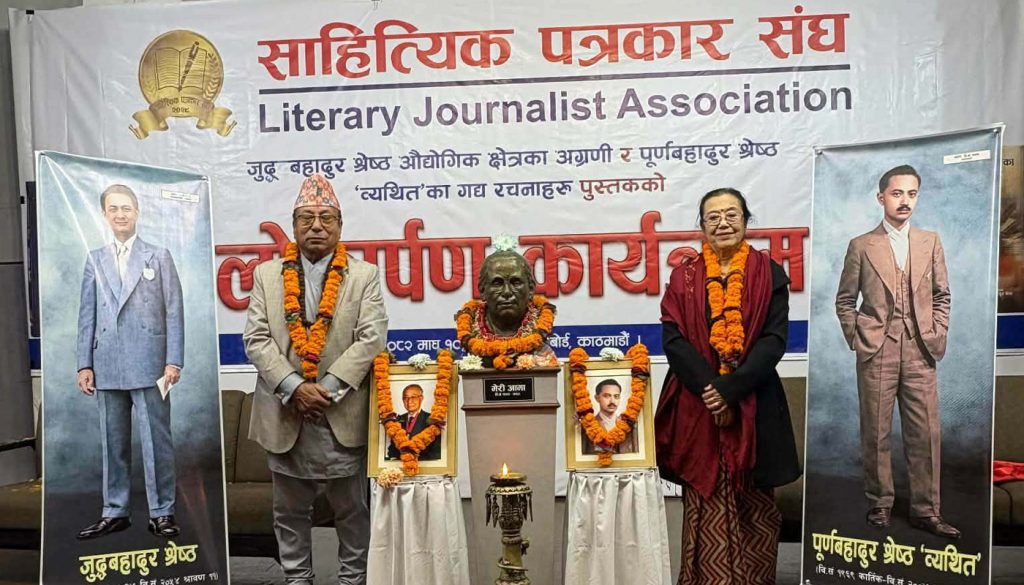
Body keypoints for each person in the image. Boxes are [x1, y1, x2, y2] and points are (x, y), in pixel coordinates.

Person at [244, 174, 387, 585]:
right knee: (289, 513)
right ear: (293, 226)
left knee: (352, 511)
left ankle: (352, 580)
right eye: (306, 218)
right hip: (285, 412)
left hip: (341, 411)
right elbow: (256, 338)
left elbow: (371, 337)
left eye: (326, 218)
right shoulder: (266, 275)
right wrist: (294, 388)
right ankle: (297, 579)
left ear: (340, 226)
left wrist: (326, 390)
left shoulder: (364, 275)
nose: (317, 227)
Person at [655, 187, 800, 584]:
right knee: (704, 498)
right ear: (702, 226)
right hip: (698, 405)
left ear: (746, 221)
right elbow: (673, 340)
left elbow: (774, 340)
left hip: (753, 401)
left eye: (731, 215)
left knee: (754, 499)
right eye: (713, 217)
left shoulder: (768, 273)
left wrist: (732, 389)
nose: (723, 223)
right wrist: (712, 390)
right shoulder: (684, 277)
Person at [835, 165, 958, 538]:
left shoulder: (930, 241)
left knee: (925, 433)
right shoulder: (861, 245)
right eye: (897, 193)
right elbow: (844, 301)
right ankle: (880, 502)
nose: (905, 201)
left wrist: (936, 331)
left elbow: (942, 295)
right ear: (881, 197)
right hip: (877, 350)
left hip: (921, 349)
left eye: (912, 193)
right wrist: (859, 337)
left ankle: (926, 509)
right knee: (876, 432)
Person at [76, 184, 183, 539]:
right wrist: (84, 364)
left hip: (151, 363)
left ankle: (162, 511)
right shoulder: (94, 259)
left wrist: (174, 360)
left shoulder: (159, 256)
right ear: (104, 215)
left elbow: (174, 311)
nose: (120, 214)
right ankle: (115, 510)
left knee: (157, 441)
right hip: (106, 362)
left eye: (126, 208)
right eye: (113, 208)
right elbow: (87, 315)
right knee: (113, 442)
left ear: (137, 213)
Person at [581, 379, 638, 454]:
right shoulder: (587, 424)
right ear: (597, 398)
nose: (612, 401)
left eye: (616, 396)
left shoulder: (630, 424)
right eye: (607, 396)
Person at [386, 384, 441, 461]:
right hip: (400, 464)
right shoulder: (397, 420)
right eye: (406, 398)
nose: (409, 401)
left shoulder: (432, 419)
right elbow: (392, 449)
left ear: (421, 398)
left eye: (413, 397)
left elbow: (436, 452)